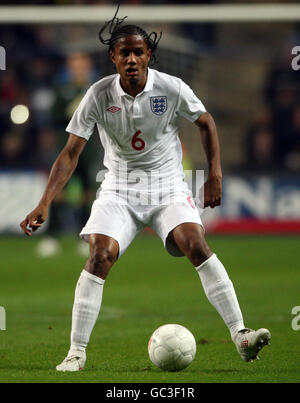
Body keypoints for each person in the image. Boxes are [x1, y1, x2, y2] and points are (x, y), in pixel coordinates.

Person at [20, 8, 271, 372]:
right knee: (99, 256)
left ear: (148, 55)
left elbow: (206, 122)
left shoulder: (170, 88)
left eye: (139, 52)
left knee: (196, 245)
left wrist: (214, 174)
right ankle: (76, 352)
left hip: (167, 186)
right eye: (125, 53)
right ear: (114, 58)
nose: (132, 59)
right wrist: (44, 201)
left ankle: (241, 335)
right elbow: (70, 152)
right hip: (119, 189)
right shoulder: (97, 94)